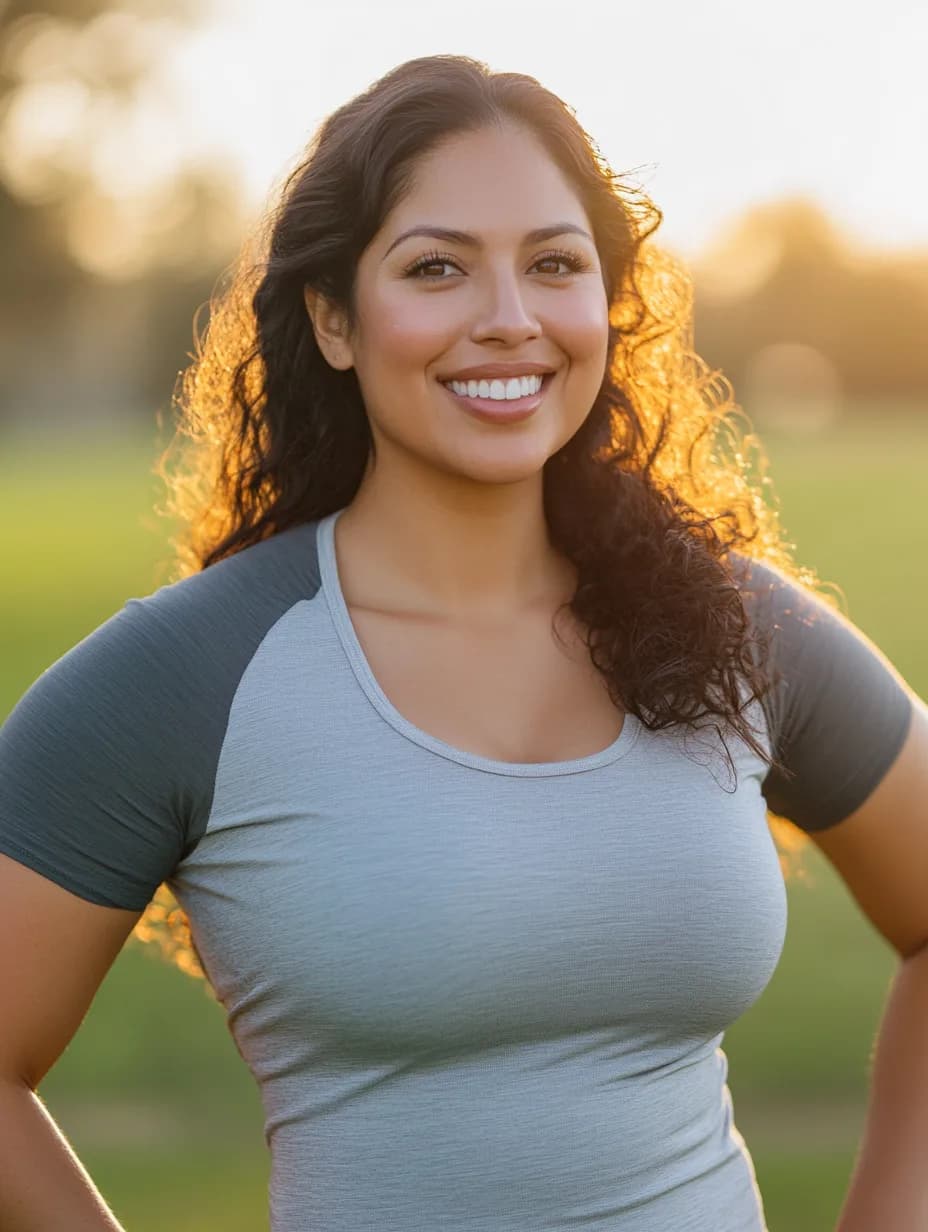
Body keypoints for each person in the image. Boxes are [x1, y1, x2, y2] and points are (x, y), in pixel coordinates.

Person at [0, 53, 925, 1232]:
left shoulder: (735, 625)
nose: (508, 319)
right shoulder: (193, 675)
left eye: (554, 265)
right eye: (436, 268)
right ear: (334, 318)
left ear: (606, 306)